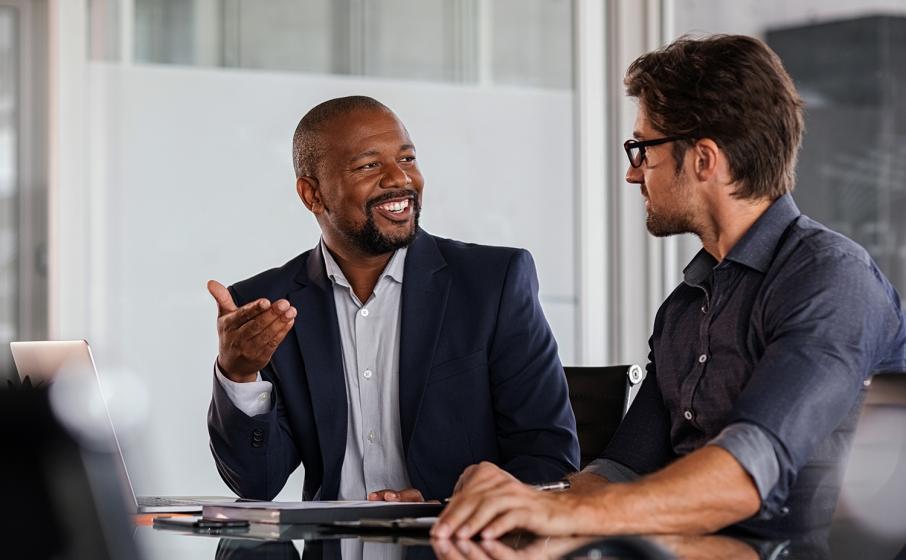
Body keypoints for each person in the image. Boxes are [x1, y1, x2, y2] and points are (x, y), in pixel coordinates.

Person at [433, 34, 906, 540]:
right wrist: (518, 501)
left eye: (643, 149)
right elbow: (618, 473)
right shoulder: (685, 307)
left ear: (703, 159)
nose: (632, 173)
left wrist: (566, 519)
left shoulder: (831, 279)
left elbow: (747, 472)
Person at [206, 96, 579, 502]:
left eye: (407, 159)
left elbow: (549, 459)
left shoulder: (492, 284)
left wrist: (445, 508)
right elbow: (256, 483)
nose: (399, 179)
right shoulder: (267, 306)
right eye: (369, 165)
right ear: (312, 195)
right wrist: (238, 375)